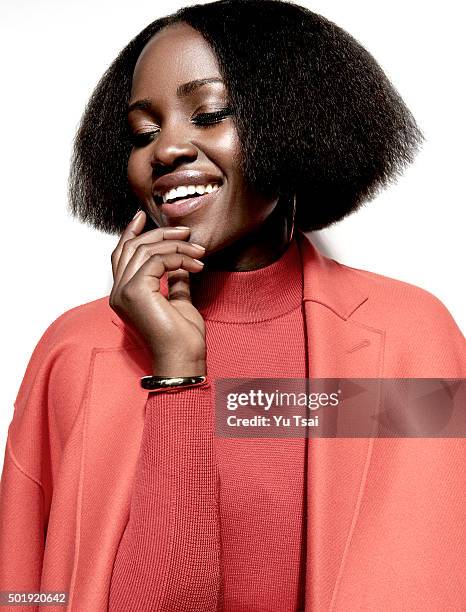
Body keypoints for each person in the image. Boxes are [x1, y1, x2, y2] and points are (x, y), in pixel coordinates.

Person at [0, 1, 464, 611]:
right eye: (143, 133)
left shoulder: (405, 341)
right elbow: (34, 593)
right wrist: (178, 372)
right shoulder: (76, 354)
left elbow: (433, 565)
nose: (166, 150)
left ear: (291, 123)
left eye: (210, 114)